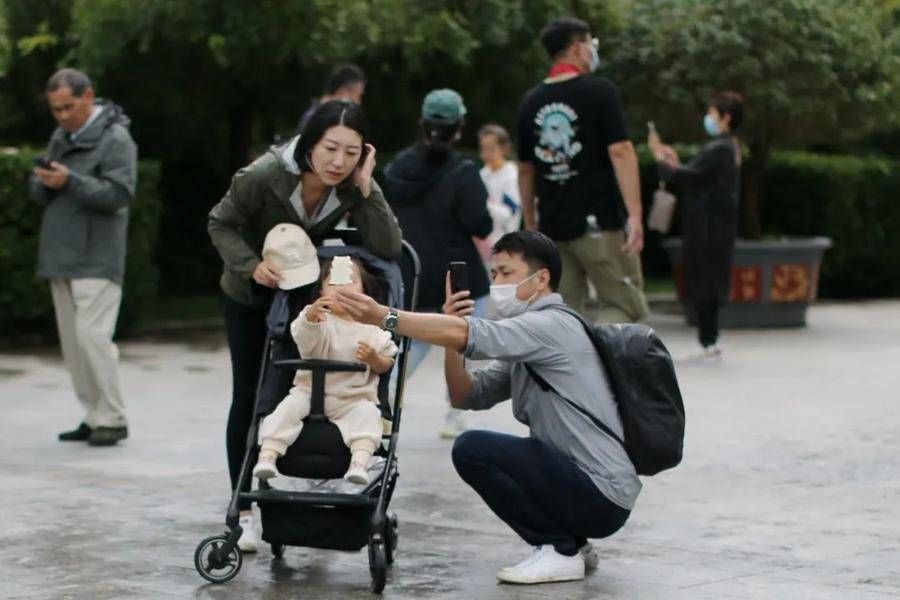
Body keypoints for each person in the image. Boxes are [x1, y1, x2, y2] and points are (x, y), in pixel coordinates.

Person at [333, 230, 639, 585]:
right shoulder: (529, 337)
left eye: (507, 273)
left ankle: (560, 549)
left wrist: (385, 316)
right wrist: (451, 342)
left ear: (541, 279)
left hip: (600, 491)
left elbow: (473, 335)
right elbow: (467, 395)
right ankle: (574, 545)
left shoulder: (550, 325)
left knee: (473, 448)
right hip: (589, 490)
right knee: (475, 448)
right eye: (494, 274)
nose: (498, 283)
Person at [207, 99, 401, 552]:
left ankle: (290, 497)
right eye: (330, 148)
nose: (339, 162)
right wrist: (251, 265)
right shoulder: (264, 175)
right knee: (252, 396)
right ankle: (247, 510)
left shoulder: (354, 183)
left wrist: (369, 185)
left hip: (302, 297)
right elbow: (221, 223)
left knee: (296, 390)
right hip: (251, 293)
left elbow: (388, 244)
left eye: (352, 152)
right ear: (310, 143)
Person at [28, 68, 137, 447]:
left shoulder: (116, 138)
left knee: (93, 338)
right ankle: (93, 416)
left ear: (88, 96)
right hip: (60, 254)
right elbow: (40, 190)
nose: (61, 116)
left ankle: (113, 417)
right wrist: (43, 180)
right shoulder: (62, 136)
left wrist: (70, 181)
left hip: (98, 255)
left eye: (68, 107)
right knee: (73, 346)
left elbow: (119, 194)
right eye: (55, 109)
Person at [517, 17, 649, 323]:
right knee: (622, 303)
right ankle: (605, 368)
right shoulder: (600, 92)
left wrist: (532, 222)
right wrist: (635, 214)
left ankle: (569, 369)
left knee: (563, 314)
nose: (593, 50)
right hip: (599, 223)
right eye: (591, 44)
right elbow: (621, 151)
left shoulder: (530, 101)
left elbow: (525, 170)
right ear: (578, 48)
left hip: (553, 226)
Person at [383, 88, 492, 439]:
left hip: (410, 275)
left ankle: (380, 409)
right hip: (460, 277)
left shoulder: (396, 168)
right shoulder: (463, 171)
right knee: (465, 346)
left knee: (404, 353)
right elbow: (481, 224)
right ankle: (457, 415)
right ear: (459, 127)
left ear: (422, 124)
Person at [253, 256, 397, 486]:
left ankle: (359, 462)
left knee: (368, 415)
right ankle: (268, 455)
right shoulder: (319, 321)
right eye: (334, 282)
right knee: (285, 411)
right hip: (309, 393)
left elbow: (387, 363)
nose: (342, 288)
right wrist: (311, 316)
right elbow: (304, 338)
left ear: (364, 292)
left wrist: (374, 358)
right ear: (321, 291)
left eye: (351, 282)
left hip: (352, 398)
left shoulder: (372, 329)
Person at [650, 91, 744, 360]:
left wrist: (662, 161)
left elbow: (690, 176)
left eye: (713, 114)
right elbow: (696, 174)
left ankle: (708, 338)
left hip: (709, 227)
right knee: (710, 280)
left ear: (726, 117)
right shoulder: (728, 146)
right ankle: (709, 338)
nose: (708, 118)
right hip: (716, 226)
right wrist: (673, 162)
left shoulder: (721, 148)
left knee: (706, 281)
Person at [477, 124, 521, 260]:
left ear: (504, 148)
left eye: (491, 149)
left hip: (505, 247)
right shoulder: (482, 174)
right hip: (482, 246)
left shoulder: (511, 176)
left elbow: (511, 213)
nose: (486, 154)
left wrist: (484, 204)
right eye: (483, 149)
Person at [297, 63, 366, 134]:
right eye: (358, 96)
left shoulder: (318, 116)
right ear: (343, 92)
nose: (359, 102)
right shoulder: (316, 120)